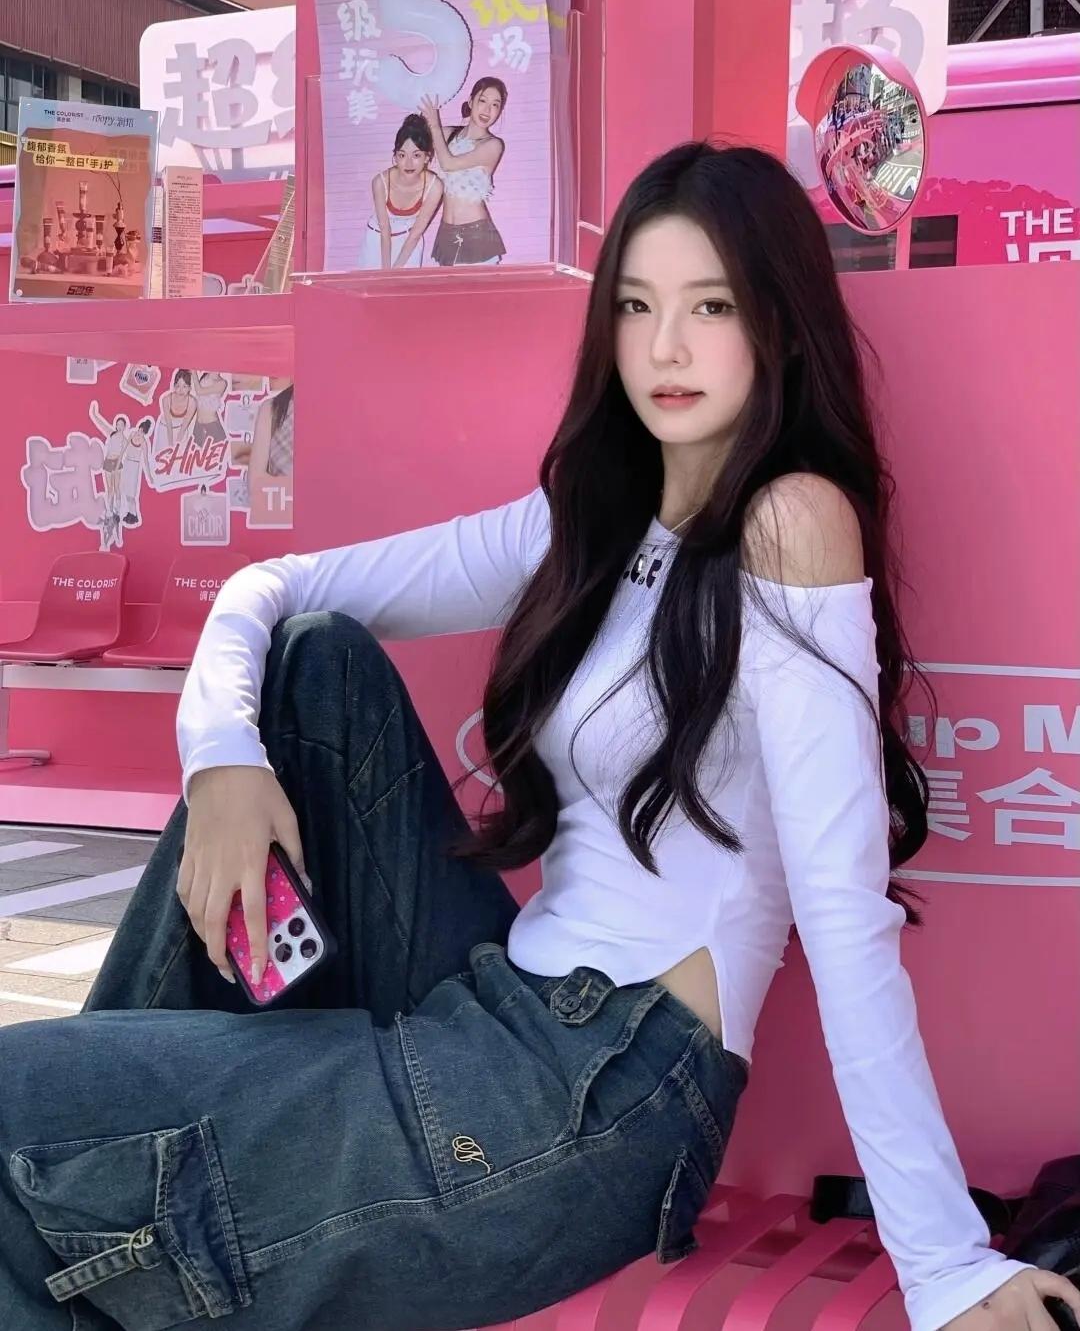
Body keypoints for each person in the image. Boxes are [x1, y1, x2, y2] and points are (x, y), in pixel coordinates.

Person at [0, 143, 1074, 1331]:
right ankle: (111, 1132)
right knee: (317, 664)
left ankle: (101, 1145)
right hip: (496, 998)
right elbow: (272, 586)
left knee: (24, 1125)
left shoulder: (791, 521)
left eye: (711, 306)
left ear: (779, 324)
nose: (665, 348)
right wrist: (222, 763)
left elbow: (843, 906)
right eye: (636, 306)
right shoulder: (588, 523)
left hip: (604, 1088)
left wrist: (942, 1261)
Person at [420, 77, 508, 266]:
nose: (487, 110)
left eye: (495, 105)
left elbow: (448, 164)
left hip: (476, 233)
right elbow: (416, 138)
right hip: (446, 233)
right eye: (482, 101)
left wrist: (434, 125)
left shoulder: (493, 145)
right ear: (470, 101)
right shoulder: (448, 134)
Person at [360, 114, 444, 270]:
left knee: (404, 283)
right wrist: (386, 271)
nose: (409, 163)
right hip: (377, 238)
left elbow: (416, 234)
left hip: (409, 241)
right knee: (375, 282)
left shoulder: (434, 186)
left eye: (416, 155)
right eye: (402, 155)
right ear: (395, 156)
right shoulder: (380, 182)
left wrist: (396, 270)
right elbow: (385, 229)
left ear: (427, 157)